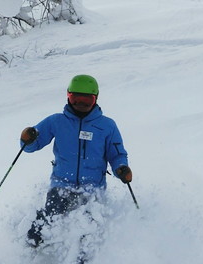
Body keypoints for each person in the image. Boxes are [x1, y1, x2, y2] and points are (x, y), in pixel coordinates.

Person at [19, 74, 132, 250]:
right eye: (75, 99)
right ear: (68, 96)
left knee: (88, 231)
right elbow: (30, 146)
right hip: (61, 185)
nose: (80, 104)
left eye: (87, 100)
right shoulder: (56, 121)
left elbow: (117, 155)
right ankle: (25, 256)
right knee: (48, 218)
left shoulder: (107, 126)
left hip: (92, 189)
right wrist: (28, 138)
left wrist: (121, 168)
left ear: (95, 99)